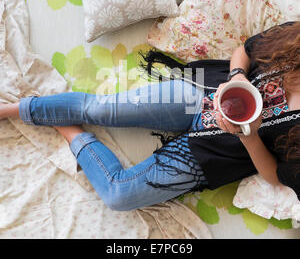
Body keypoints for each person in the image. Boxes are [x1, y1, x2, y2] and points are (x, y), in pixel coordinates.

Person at [1, 21, 299, 211]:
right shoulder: (296, 39)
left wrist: (247, 137)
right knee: (100, 109)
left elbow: (276, 178)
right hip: (201, 91)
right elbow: (244, 49)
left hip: (218, 154)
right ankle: (12, 110)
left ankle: (68, 129)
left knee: (119, 195)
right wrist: (237, 75)